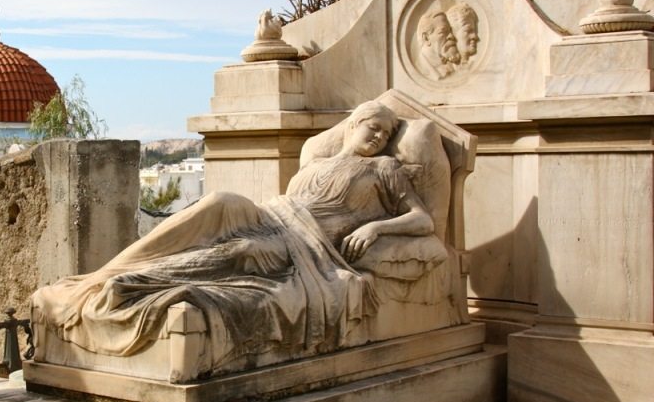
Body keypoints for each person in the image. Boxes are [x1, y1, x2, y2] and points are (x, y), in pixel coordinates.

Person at [31, 101, 435, 369]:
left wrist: (376, 225)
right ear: (353, 124)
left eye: (386, 133)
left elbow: (423, 220)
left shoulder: (384, 169)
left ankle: (129, 285)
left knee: (242, 250)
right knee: (218, 202)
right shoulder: (317, 160)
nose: (380, 137)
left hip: (305, 244)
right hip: (274, 214)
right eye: (374, 127)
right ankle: (100, 277)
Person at [416, 11, 460, 80]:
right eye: (443, 32)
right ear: (426, 38)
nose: (451, 36)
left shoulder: (454, 65)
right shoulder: (418, 70)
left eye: (450, 31)